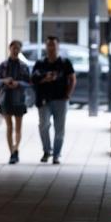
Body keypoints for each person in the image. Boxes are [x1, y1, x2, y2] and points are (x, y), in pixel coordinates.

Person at [30, 36, 75, 165]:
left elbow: (72, 78)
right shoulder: (40, 63)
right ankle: (46, 150)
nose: (51, 48)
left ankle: (56, 154)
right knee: (43, 126)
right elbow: (33, 79)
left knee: (59, 128)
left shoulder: (65, 63)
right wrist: (45, 79)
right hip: (44, 100)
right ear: (46, 47)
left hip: (61, 99)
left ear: (58, 46)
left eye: (53, 45)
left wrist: (68, 95)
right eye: (49, 45)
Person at [0, 40, 31, 164]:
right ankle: (12, 152)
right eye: (13, 48)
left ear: (20, 50)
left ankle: (16, 148)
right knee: (9, 126)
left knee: (18, 127)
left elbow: (28, 82)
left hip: (19, 98)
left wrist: (17, 83)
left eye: (18, 48)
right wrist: (4, 81)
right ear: (10, 49)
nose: (15, 50)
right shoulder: (3, 65)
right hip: (5, 98)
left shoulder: (23, 66)